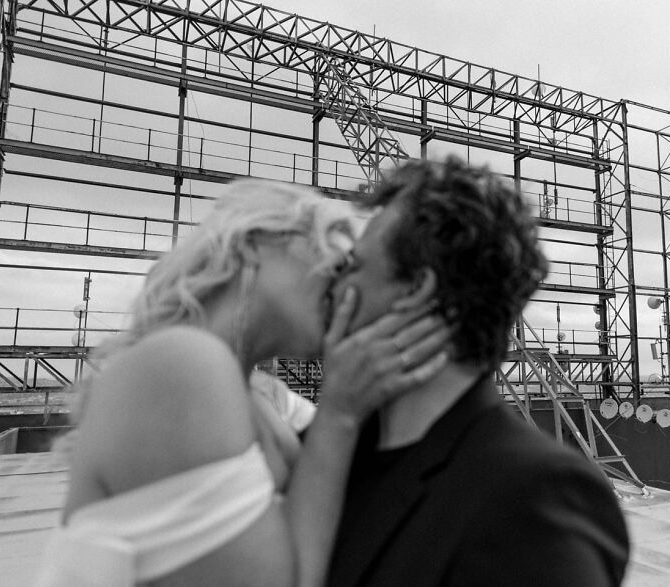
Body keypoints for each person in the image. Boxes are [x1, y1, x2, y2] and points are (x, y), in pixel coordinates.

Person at [35, 179, 449, 587]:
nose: (345, 290)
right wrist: (339, 411)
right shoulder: (181, 363)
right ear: (255, 242)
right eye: (337, 262)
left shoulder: (258, 397)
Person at [327, 157, 630, 586]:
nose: (334, 286)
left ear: (417, 291)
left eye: (353, 267)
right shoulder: (326, 452)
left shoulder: (532, 502)